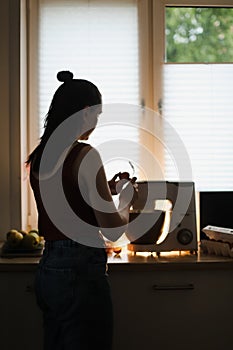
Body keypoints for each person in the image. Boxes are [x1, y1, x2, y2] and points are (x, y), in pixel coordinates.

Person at [26, 70, 137, 350]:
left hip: (49, 266)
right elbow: (113, 229)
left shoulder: (39, 157)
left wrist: (106, 188)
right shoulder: (85, 155)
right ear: (86, 112)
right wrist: (125, 197)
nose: (97, 123)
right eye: (97, 115)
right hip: (80, 269)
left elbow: (67, 196)